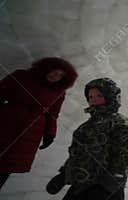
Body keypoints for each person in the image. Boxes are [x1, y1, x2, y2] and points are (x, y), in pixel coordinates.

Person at [47, 78, 128, 200]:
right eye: (90, 96)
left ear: (111, 96)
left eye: (99, 96)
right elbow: (76, 154)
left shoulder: (121, 123)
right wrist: (64, 174)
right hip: (80, 184)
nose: (93, 99)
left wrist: (114, 177)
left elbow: (124, 154)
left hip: (105, 187)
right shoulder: (85, 127)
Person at [0, 57, 78, 190]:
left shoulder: (58, 92)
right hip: (6, 123)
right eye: (55, 71)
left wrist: (50, 134)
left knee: (6, 167)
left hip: (29, 134)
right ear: (47, 68)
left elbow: (52, 115)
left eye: (60, 75)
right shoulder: (22, 76)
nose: (56, 76)